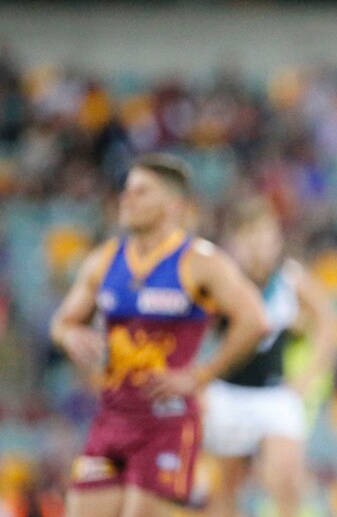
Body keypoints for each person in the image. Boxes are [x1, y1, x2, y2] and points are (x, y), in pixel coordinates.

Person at [50, 153, 269, 517]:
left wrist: (199, 376)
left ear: (173, 205)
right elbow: (63, 322)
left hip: (166, 424)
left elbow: (255, 320)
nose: (127, 199)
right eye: (126, 190)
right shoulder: (105, 260)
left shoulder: (199, 262)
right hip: (111, 419)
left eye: (141, 192)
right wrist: (70, 335)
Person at [203, 197, 337, 517]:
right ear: (235, 240)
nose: (260, 247)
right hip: (228, 393)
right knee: (225, 489)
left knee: (286, 479)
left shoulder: (289, 278)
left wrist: (310, 374)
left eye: (266, 236)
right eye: (251, 237)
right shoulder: (222, 278)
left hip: (275, 394)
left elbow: (328, 321)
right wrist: (199, 381)